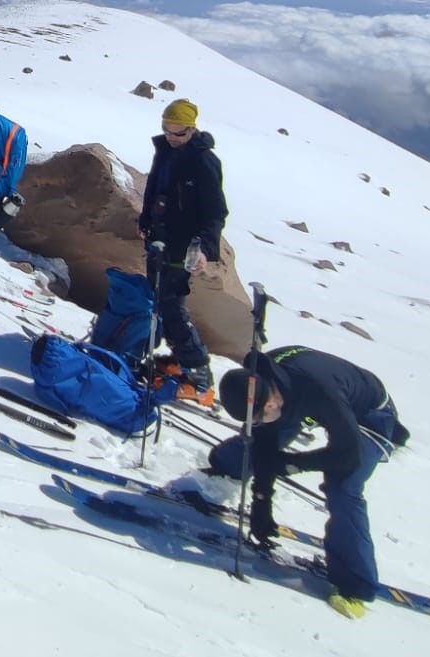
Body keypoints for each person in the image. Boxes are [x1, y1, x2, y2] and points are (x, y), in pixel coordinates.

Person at [214, 348, 409, 619]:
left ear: (270, 398)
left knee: (343, 487)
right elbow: (265, 450)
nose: (262, 417)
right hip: (305, 399)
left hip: (370, 415)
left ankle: (356, 586)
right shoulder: (261, 383)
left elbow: (347, 456)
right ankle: (222, 469)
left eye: (262, 412)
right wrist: (261, 502)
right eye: (255, 417)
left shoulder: (318, 391)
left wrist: (291, 463)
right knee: (254, 446)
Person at [136, 97, 226, 401]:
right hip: (158, 240)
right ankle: (175, 360)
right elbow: (154, 189)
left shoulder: (204, 161)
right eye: (168, 130)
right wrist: (145, 220)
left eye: (179, 132)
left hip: (183, 247)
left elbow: (216, 212)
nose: (172, 137)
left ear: (192, 129)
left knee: (171, 306)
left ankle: (199, 373)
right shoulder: (163, 151)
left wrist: (204, 249)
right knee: (157, 301)